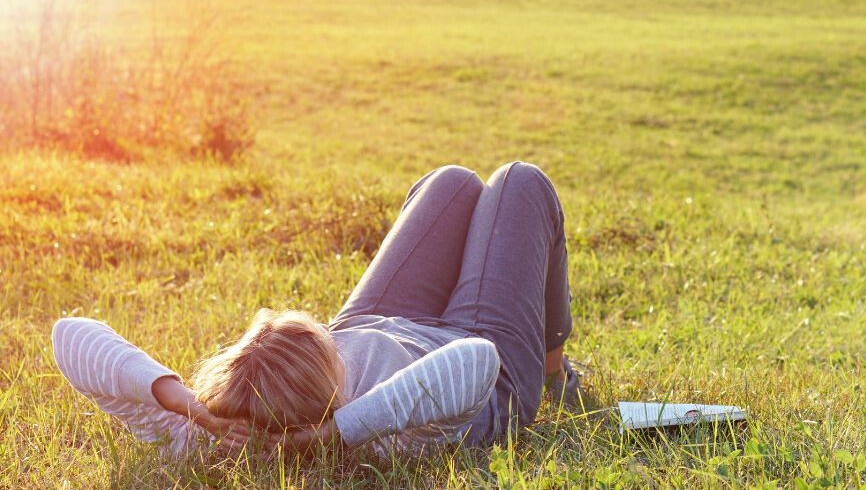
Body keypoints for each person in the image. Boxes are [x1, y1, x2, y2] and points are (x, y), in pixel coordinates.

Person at [51, 162, 581, 458]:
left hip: (376, 322)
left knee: (451, 183)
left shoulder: (214, 430)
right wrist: (333, 436)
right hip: (477, 352)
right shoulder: (384, 438)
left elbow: (70, 335)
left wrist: (192, 408)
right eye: (324, 344)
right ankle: (556, 372)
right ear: (329, 383)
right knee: (518, 182)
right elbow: (476, 361)